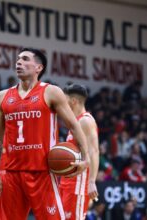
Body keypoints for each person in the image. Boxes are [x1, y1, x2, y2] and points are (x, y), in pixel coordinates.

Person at [0, 48, 90, 220]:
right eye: (18, 59)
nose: (19, 62)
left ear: (39, 67)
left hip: (41, 172)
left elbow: (74, 125)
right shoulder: (2, 96)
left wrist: (85, 157)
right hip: (12, 173)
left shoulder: (51, 92)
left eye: (25, 59)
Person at [59, 84, 99, 220]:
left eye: (65, 100)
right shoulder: (75, 122)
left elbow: (94, 151)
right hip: (66, 181)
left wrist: (92, 181)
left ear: (73, 101)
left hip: (77, 185)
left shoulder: (86, 121)